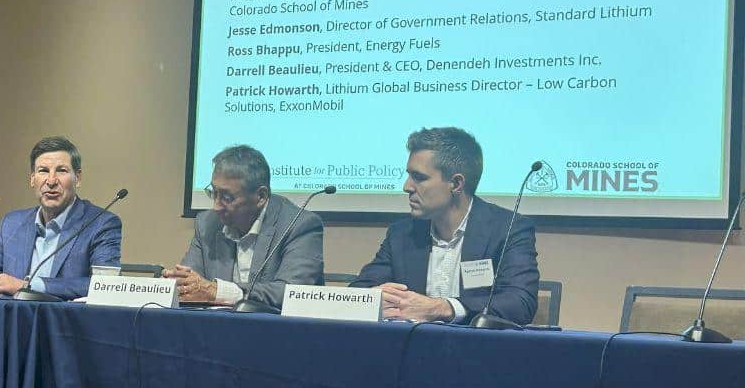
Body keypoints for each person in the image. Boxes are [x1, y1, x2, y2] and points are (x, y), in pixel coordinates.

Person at [351, 127, 538, 325]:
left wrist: (441, 308)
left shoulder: (508, 229)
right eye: (409, 176)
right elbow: (358, 292)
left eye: (419, 177)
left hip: (478, 350)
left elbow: (520, 302)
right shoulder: (402, 233)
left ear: (456, 184)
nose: (407, 187)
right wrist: (374, 299)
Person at [0, 135, 120, 299]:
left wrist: (28, 285)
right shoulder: (13, 223)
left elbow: (104, 285)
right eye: (43, 171)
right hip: (13, 323)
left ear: (78, 178)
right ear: (32, 179)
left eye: (61, 171)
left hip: (65, 326)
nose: (51, 181)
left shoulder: (101, 224)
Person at [164, 144, 323, 309]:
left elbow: (292, 293)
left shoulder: (299, 225)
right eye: (214, 192)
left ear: (261, 196)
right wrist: (177, 284)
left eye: (226, 197)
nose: (216, 206)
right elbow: (189, 284)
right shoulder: (207, 223)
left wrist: (219, 292)